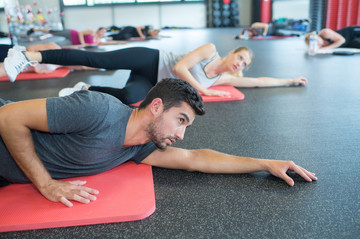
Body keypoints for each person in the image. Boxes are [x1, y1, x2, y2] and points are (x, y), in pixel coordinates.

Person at [0, 78, 317, 207]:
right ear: (155, 107)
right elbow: (8, 119)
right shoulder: (98, 109)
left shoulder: (140, 147)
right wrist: (47, 184)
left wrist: (265, 163)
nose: (180, 134)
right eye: (180, 120)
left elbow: (196, 160)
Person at [1, 43, 308, 104]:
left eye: (244, 63)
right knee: (96, 59)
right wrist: (201, 90)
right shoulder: (210, 50)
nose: (240, 64)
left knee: (131, 97)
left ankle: (86, 90)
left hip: (150, 80)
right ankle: (27, 55)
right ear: (231, 53)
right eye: (239, 57)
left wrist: (290, 80)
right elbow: (178, 68)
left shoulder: (222, 78)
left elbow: (257, 82)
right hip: (151, 58)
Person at [28, 27, 126, 46]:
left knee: (54, 44)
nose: (102, 33)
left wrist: (119, 42)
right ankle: (36, 29)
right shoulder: (92, 32)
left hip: (73, 42)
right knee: (53, 32)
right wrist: (83, 42)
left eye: (104, 32)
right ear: (99, 30)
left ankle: (34, 44)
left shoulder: (98, 40)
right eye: (102, 31)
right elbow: (80, 33)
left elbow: (107, 42)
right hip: (72, 33)